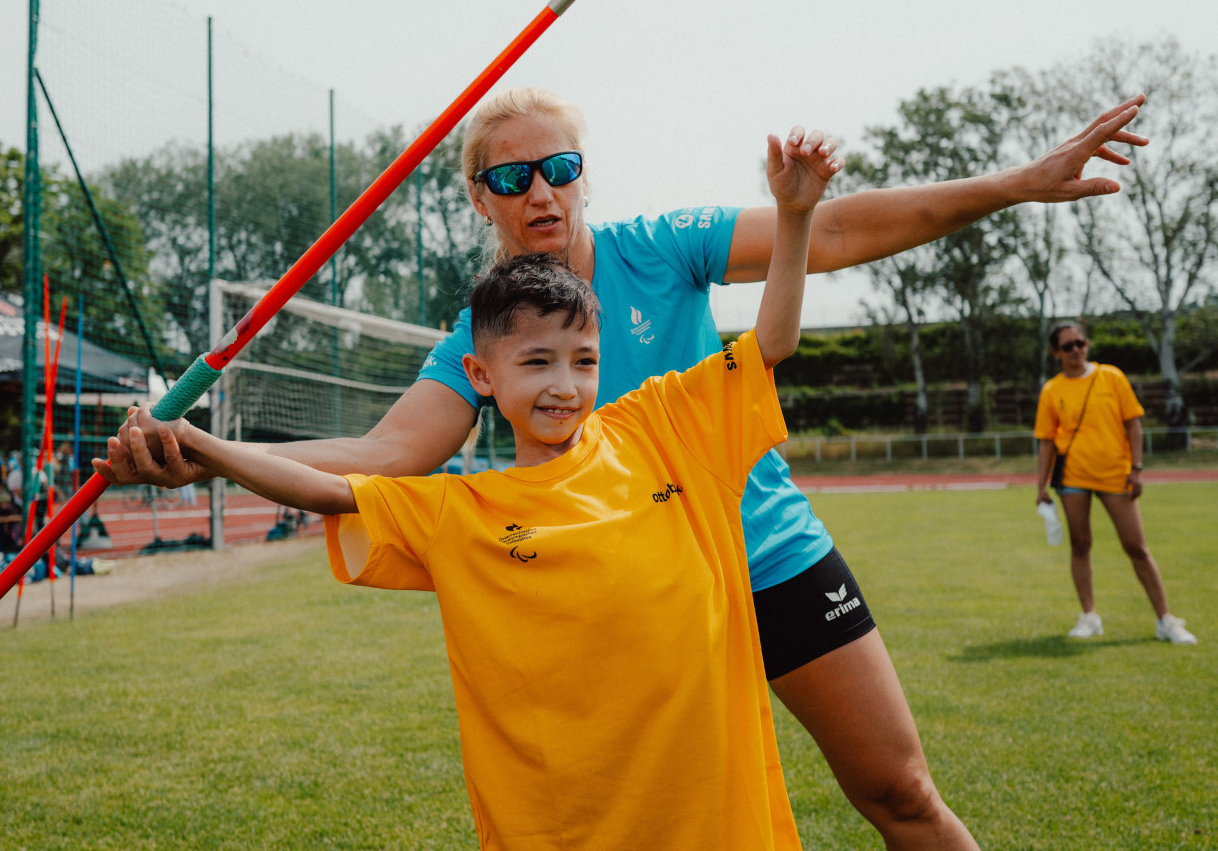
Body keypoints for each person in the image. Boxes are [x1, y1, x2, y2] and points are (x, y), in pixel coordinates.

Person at [98, 87, 1149, 850]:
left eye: (559, 168)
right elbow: (385, 458)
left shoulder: (663, 246)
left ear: (583, 175)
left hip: (770, 558)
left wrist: (1016, 184)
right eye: (510, 176)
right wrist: (207, 453)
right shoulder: (482, 335)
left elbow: (828, 233)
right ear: (479, 198)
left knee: (902, 793)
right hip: (634, 604)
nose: (541, 190)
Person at [110, 129, 831, 848]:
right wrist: (207, 448)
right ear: (481, 376)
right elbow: (336, 491)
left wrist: (794, 214)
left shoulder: (659, 429)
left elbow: (771, 343)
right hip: (565, 828)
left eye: (584, 361)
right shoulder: (464, 510)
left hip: (716, 819)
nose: (564, 385)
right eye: (537, 362)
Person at [1034, 322, 1196, 645]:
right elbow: (1046, 441)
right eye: (1068, 346)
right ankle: (1089, 616)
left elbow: (1133, 425)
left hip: (1115, 474)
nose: (1076, 349)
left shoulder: (1111, 377)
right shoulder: (1052, 390)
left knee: (1136, 547)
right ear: (1056, 353)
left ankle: (1166, 620)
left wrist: (1137, 469)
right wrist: (1041, 486)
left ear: (1087, 344)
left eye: (1080, 342)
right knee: (1080, 545)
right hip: (1073, 477)